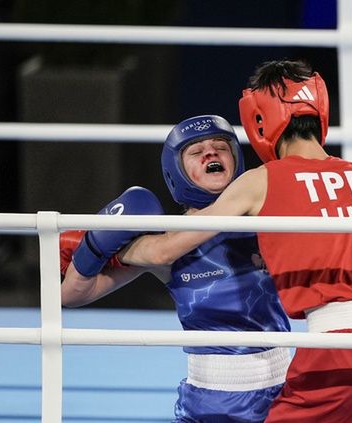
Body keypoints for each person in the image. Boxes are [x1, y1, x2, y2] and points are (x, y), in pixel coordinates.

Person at [120, 60, 352, 421]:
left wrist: (107, 242)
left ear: (259, 120)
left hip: (336, 345)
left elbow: (165, 250)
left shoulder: (259, 181)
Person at [60, 115, 291, 423]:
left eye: (220, 147)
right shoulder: (165, 243)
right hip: (210, 400)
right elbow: (72, 295)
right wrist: (92, 248)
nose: (210, 154)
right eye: (196, 152)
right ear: (177, 171)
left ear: (236, 159)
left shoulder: (272, 222)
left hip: (286, 390)